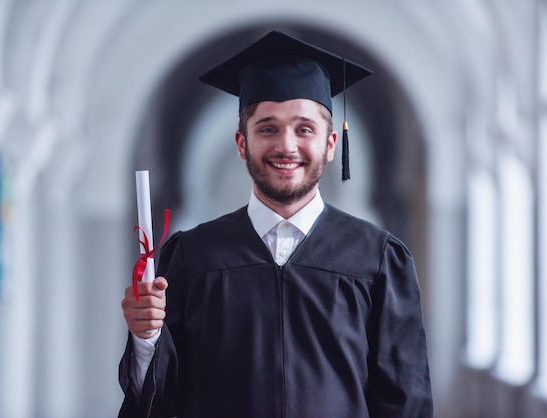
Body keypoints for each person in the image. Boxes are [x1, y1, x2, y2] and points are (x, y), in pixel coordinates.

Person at [119, 30, 433, 418]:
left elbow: (406, 405)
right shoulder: (192, 257)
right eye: (268, 128)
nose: (286, 145)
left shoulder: (379, 260)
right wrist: (146, 337)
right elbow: (158, 400)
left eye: (304, 129)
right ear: (241, 143)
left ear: (330, 144)